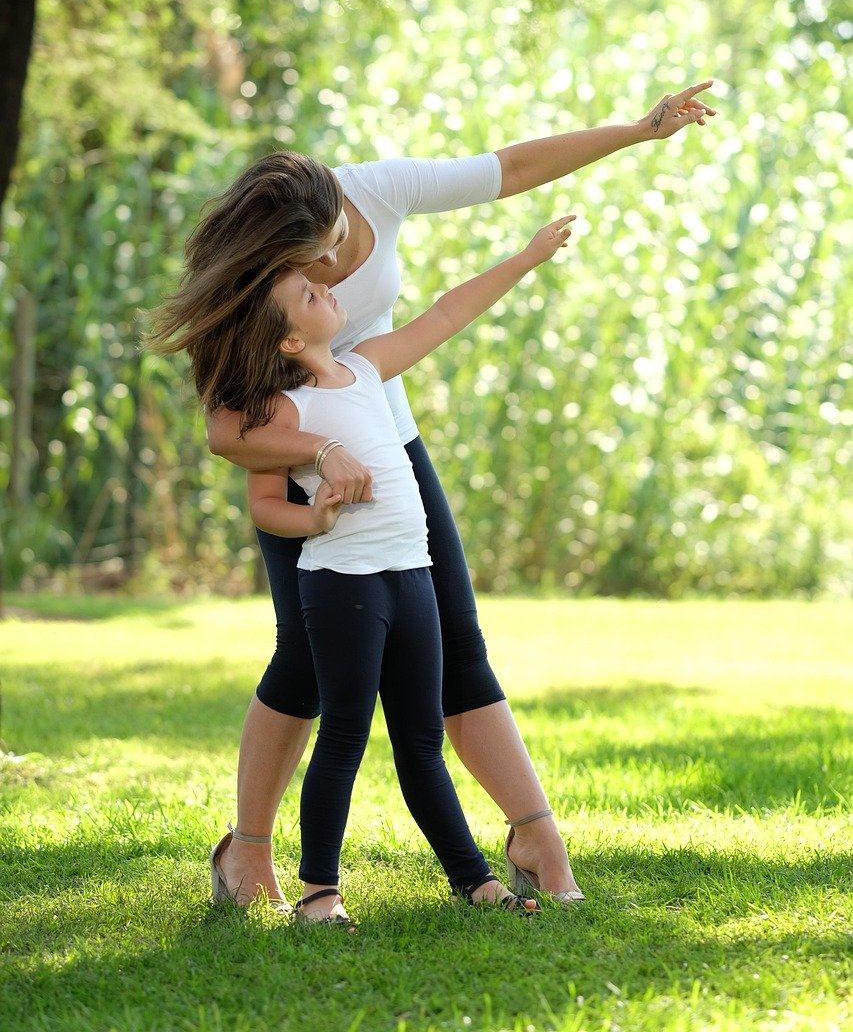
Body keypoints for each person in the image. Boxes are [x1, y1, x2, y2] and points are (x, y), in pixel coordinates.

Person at [151, 80, 715, 911]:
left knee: (457, 641)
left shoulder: (377, 189)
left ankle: (534, 835)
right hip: (300, 462)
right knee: (305, 662)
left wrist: (638, 130)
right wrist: (320, 451)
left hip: (390, 447)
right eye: (307, 271)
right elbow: (226, 432)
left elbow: (509, 168)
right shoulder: (253, 274)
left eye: (331, 250)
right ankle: (251, 853)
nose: (327, 274)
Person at [232, 216, 576, 921]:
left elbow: (446, 314)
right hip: (342, 586)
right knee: (344, 736)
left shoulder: (366, 368)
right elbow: (264, 504)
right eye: (308, 295)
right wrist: (314, 520)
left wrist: (525, 256)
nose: (327, 289)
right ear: (290, 340)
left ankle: (476, 882)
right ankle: (319, 893)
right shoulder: (282, 410)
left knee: (422, 742)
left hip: (412, 574)